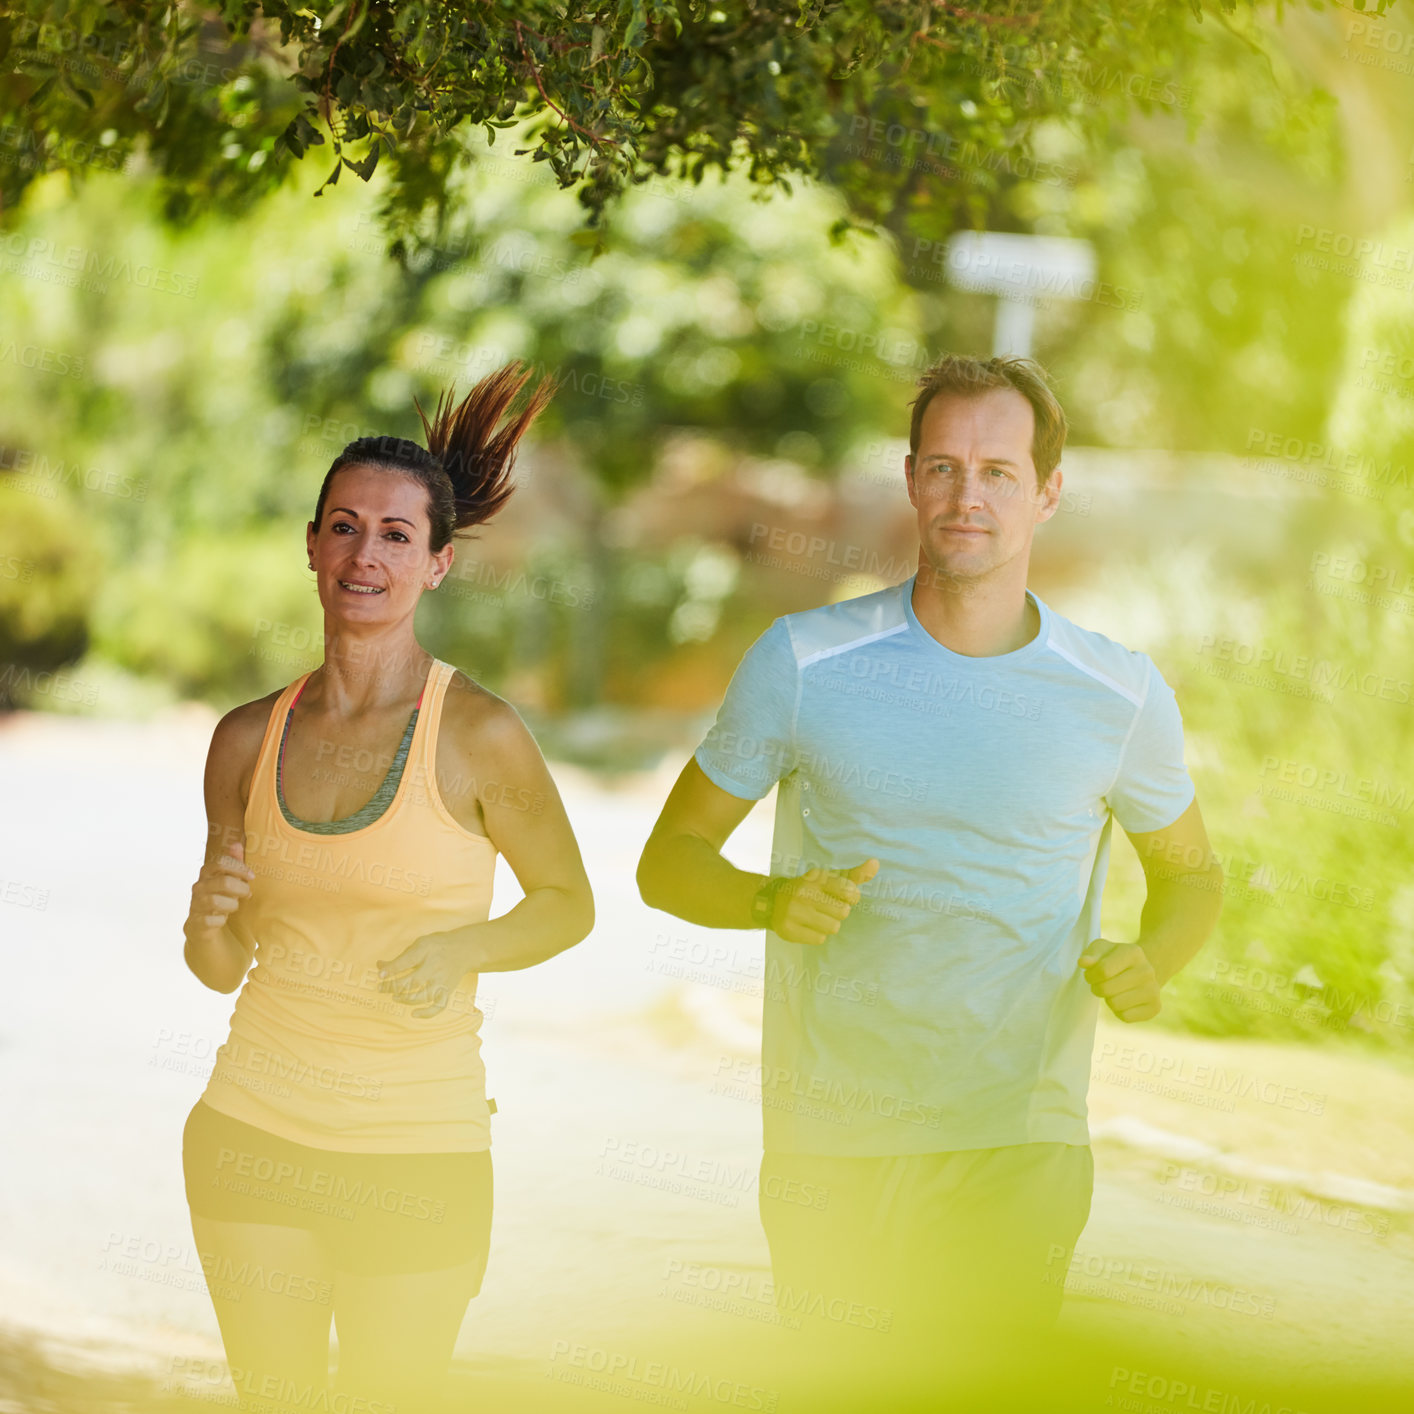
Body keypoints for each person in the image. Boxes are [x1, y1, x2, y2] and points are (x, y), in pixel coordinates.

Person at [636, 354, 1223, 1382]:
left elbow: (1191, 875)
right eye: (944, 466)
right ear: (910, 479)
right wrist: (769, 899)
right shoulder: (803, 660)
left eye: (998, 470)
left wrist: (1155, 957)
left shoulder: (1118, 693)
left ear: (1047, 492)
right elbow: (668, 862)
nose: (967, 495)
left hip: (1020, 1136)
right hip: (832, 1138)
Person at [181, 363, 595, 1413]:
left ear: (439, 564)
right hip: (252, 1132)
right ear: (313, 545)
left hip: (418, 1145)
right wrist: (204, 919)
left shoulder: (480, 733)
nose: (365, 553)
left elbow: (566, 902)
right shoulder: (244, 737)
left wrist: (466, 948)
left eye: (396, 536)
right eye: (343, 526)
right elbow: (220, 966)